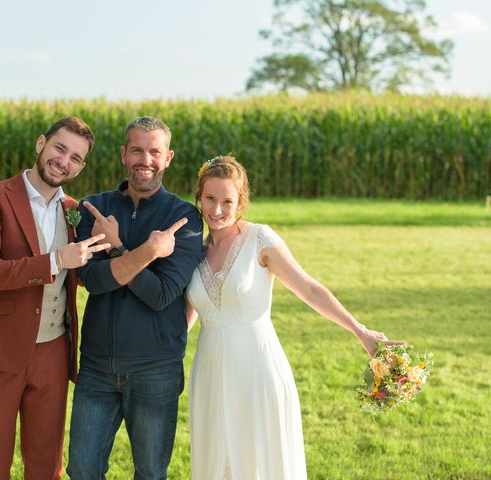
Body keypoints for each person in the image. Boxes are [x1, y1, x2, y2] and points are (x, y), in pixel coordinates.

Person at [186, 156, 403, 479]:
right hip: (209, 376)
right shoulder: (192, 251)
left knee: (261, 462)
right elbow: (185, 320)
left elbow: (310, 290)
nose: (217, 209)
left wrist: (360, 332)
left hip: (257, 372)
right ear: (199, 198)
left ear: (241, 201)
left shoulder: (260, 239)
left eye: (227, 201)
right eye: (210, 199)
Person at [0, 116, 110, 480]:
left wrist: (113, 246)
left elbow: (84, 272)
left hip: (54, 352)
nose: (64, 161)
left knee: (47, 466)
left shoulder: (74, 210)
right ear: (41, 143)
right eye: (60, 148)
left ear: (81, 166)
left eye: (75, 157)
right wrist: (56, 260)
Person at [66, 116, 204, 480]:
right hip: (96, 367)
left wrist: (116, 248)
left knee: (150, 473)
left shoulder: (184, 217)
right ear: (123, 155)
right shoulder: (94, 208)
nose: (146, 159)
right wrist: (146, 253)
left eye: (154, 151)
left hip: (156, 368)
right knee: (82, 470)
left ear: (168, 157)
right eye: (138, 150)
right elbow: (91, 280)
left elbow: (161, 295)